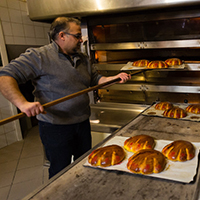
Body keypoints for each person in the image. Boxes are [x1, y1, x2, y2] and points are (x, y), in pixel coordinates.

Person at [0, 17, 131, 178]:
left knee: (84, 163)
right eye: (77, 36)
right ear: (62, 35)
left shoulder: (82, 58)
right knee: (59, 170)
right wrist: (22, 103)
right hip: (55, 127)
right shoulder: (39, 56)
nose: (81, 40)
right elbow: (5, 76)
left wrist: (114, 78)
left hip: (81, 123)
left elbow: (96, 80)